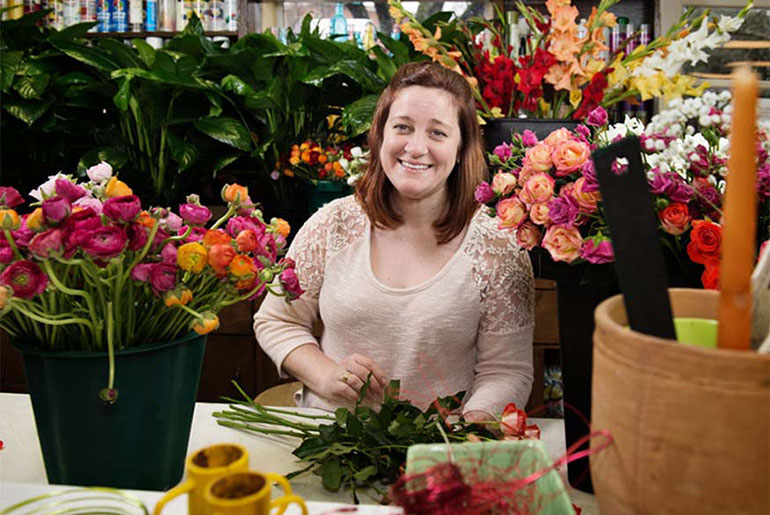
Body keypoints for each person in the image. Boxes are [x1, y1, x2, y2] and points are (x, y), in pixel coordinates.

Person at [254, 61, 534, 421]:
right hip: (329, 437)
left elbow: (508, 372)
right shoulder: (332, 224)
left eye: (437, 133)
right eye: (402, 127)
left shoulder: (498, 247)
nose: (416, 148)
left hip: (442, 451)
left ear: (463, 147)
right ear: (380, 135)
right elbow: (276, 321)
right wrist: (325, 375)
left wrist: (471, 430)